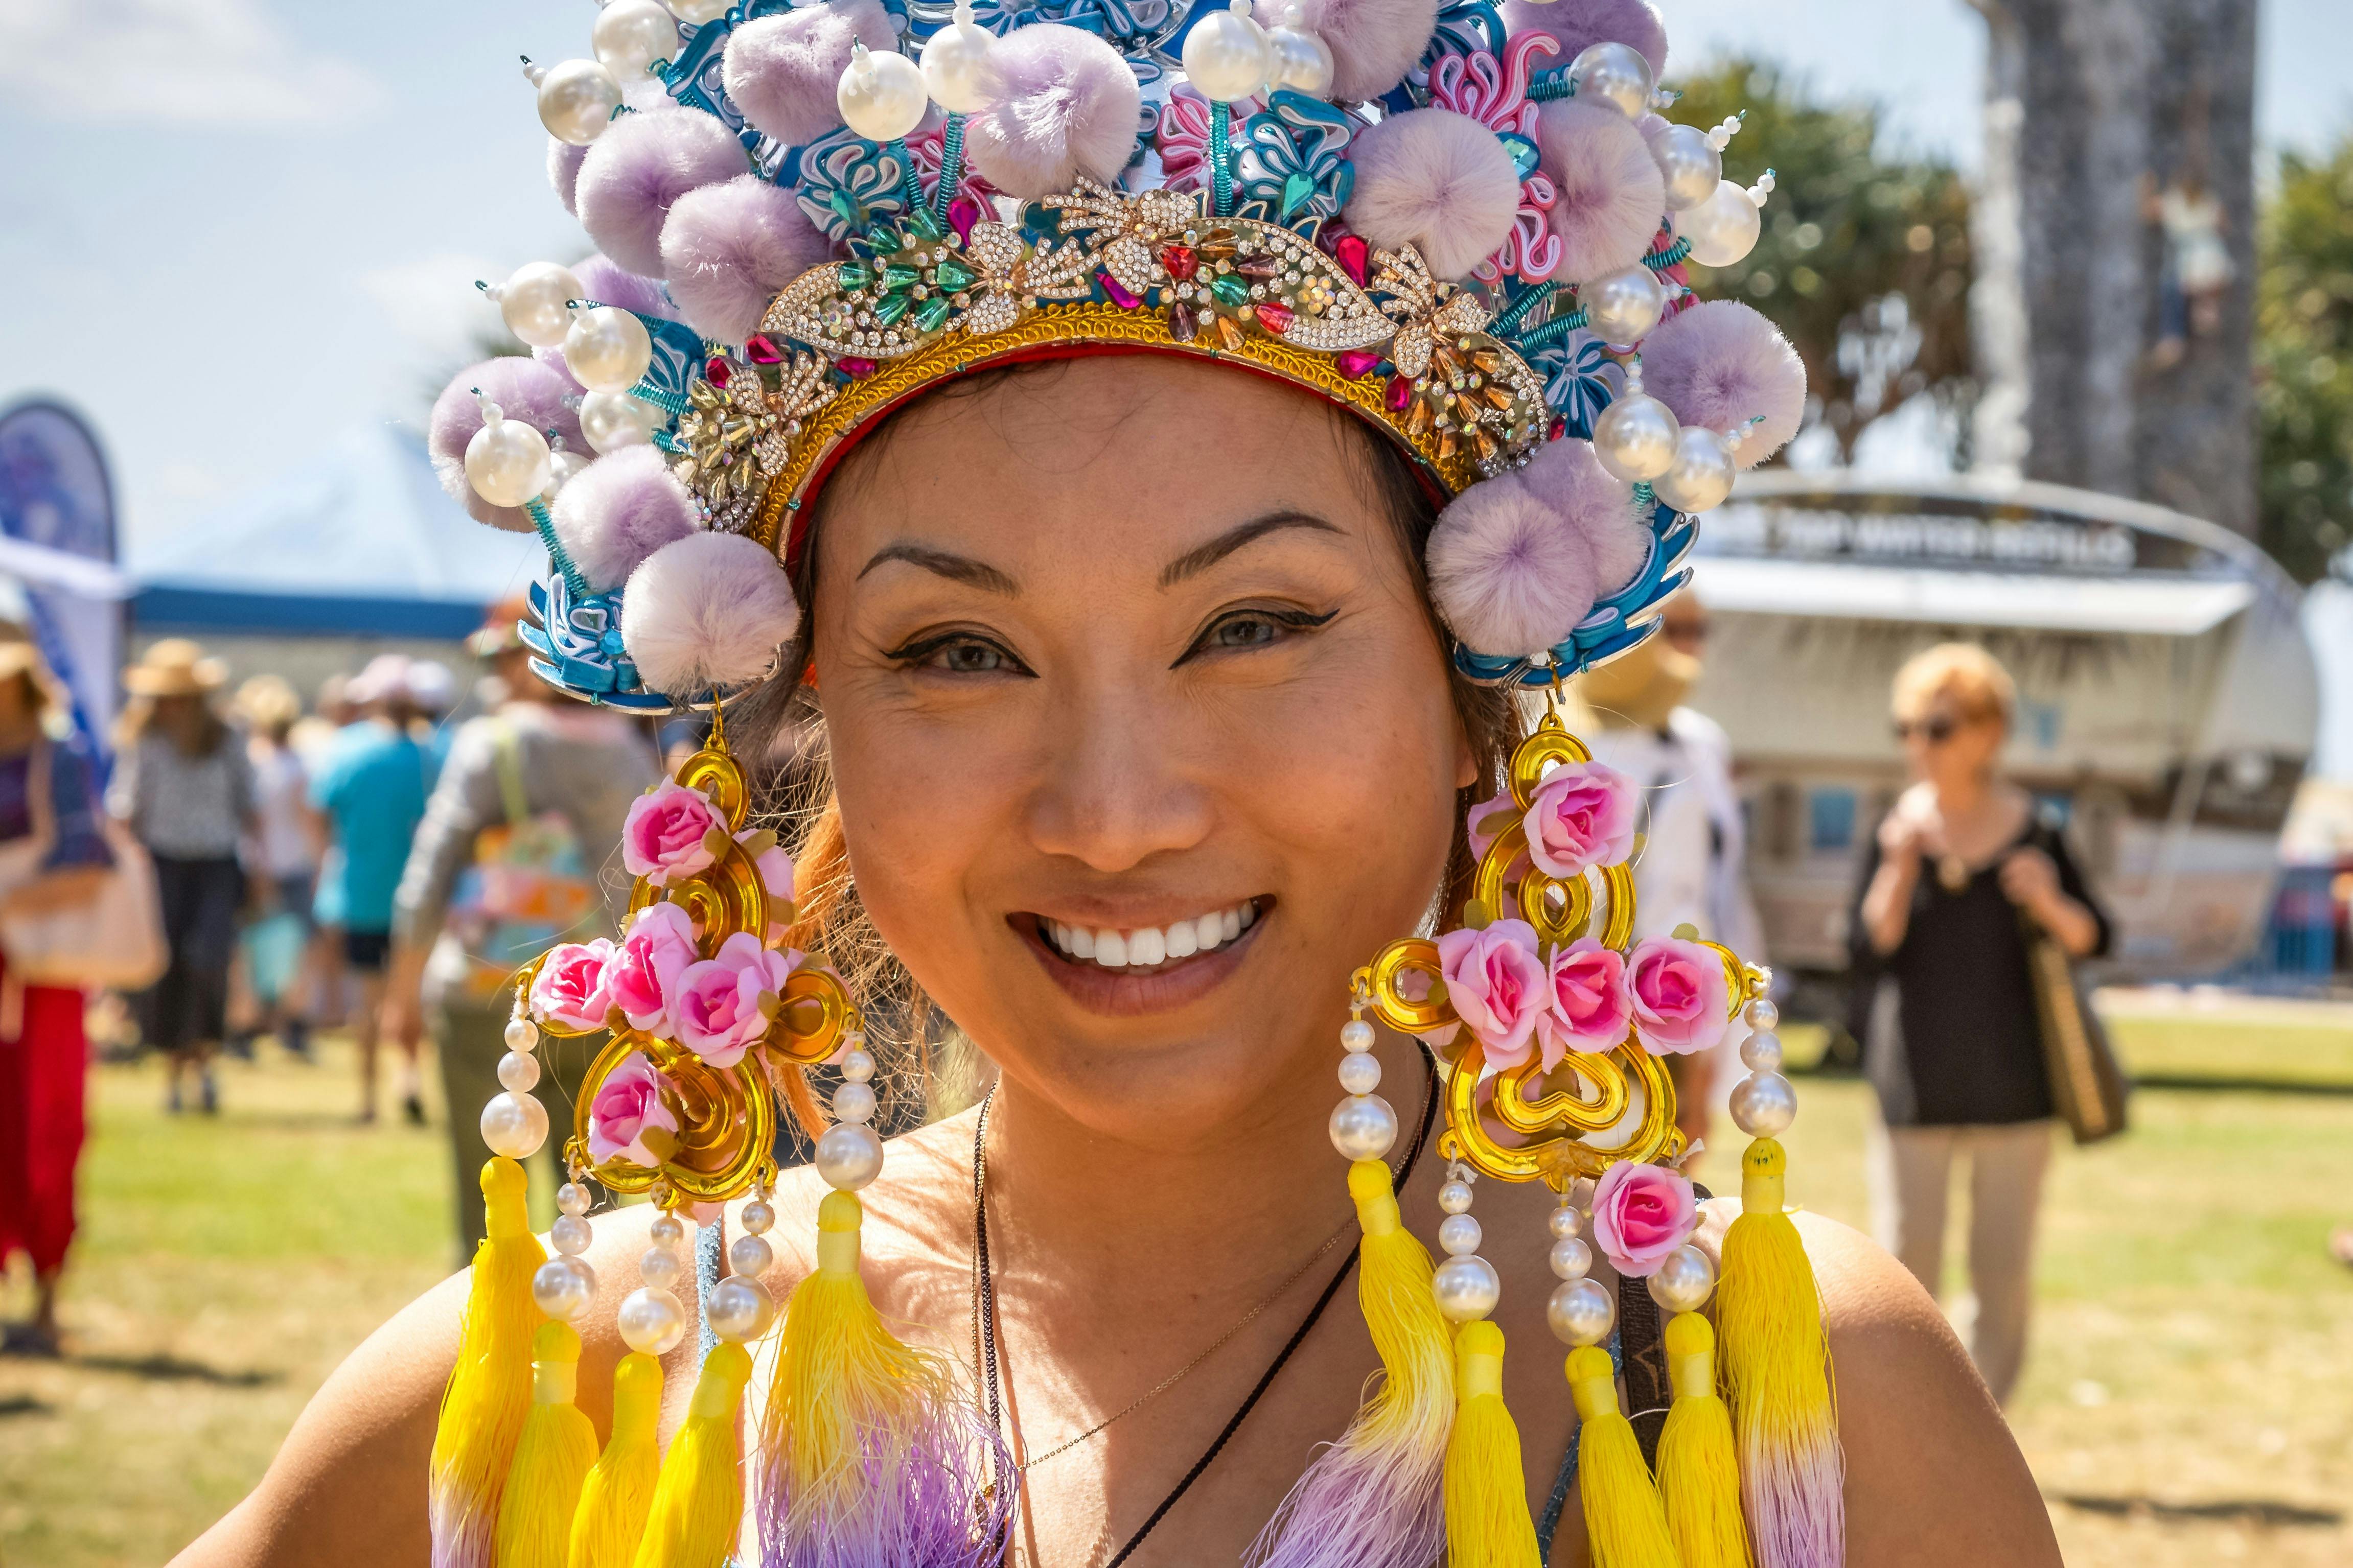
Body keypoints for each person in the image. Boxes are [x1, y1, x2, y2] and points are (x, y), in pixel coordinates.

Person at [174, 8, 2059, 1557]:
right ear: (807, 702)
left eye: (1250, 625)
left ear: (1469, 675)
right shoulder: (565, 1405)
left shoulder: (1772, 1405)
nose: (1112, 811)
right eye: (955, 653)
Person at [1851, 643, 2110, 1407]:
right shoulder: (1894, 827)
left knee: (2002, 1274)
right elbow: (1865, 948)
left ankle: (1984, 1434)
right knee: (1904, 1270)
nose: (1918, 744)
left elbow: (2098, 936)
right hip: (1915, 1087)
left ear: (1990, 732)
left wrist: (2050, 899)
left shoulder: (2037, 831)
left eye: (1938, 725)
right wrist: (1897, 869)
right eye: (1908, 726)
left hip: (2015, 1087)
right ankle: (1908, 1426)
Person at [382, 603, 658, 1255]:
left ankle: (480, 1346)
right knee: (592, 1206)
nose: (492, 675)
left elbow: (427, 876)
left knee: (483, 1200)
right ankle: (591, 1341)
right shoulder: (628, 751)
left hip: (484, 992)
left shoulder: (492, 744)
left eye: (500, 656)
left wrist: (402, 991)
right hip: (594, 999)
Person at [1576, 594, 1766, 1152]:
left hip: (1566, 1014)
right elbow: (1677, 926)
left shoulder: (1558, 758)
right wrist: (1694, 1070)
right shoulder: (1669, 771)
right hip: (1648, 1034)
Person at [0, 642, 111, 1356]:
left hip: (42, 979)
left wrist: (8, 899)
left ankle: (45, 1290)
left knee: (45, 1125)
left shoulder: (58, 760)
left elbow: (89, 864)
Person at [110, 639, 252, 1114]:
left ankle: (205, 1062)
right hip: (162, 866)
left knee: (208, 960)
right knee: (166, 966)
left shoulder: (229, 736)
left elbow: (247, 800)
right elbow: (126, 807)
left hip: (215, 863)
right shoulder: (145, 740)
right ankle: (173, 1071)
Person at [310, 654, 437, 1124]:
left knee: (367, 999)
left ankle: (367, 1099)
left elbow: (318, 811)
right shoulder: (432, 754)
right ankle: (410, 1076)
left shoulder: (347, 750)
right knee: (412, 995)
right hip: (419, 896)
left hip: (360, 893)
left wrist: (328, 860)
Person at [231, 675, 316, 1062]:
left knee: (251, 951)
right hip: (294, 865)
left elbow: (254, 823)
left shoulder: (256, 762)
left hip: (257, 866)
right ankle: (291, 1027)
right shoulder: (299, 763)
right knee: (294, 949)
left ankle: (245, 1029)